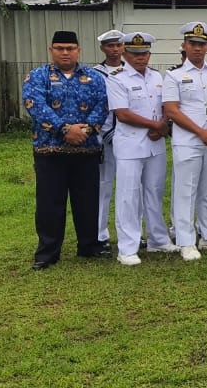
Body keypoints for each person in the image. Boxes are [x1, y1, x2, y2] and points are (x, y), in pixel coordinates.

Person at [22, 31, 111, 270]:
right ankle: (47, 253)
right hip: (49, 151)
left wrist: (85, 132)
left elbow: (102, 106)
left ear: (78, 51)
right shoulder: (38, 77)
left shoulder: (94, 77)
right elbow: (35, 106)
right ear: (51, 50)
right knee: (50, 203)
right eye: (60, 48)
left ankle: (89, 246)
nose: (65, 52)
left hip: (86, 149)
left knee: (88, 201)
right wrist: (64, 130)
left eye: (70, 48)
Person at [106, 32, 177, 266]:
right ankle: (127, 248)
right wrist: (154, 125)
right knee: (128, 196)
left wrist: (164, 125)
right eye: (135, 54)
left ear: (149, 54)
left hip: (155, 144)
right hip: (130, 145)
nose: (140, 58)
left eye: (144, 53)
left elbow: (167, 104)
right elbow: (122, 114)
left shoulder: (157, 77)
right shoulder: (117, 78)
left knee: (154, 193)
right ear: (125, 54)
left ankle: (158, 239)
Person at [163, 22, 207, 261]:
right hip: (188, 140)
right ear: (184, 45)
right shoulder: (174, 76)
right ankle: (186, 240)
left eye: (202, 45)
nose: (197, 49)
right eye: (192, 44)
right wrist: (200, 132)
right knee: (185, 191)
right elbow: (172, 110)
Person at [93, 29, 126, 251]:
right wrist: (105, 133)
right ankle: (100, 234)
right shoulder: (95, 74)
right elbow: (95, 104)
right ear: (103, 48)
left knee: (132, 188)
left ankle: (133, 233)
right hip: (104, 137)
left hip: (132, 137)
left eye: (118, 45)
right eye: (110, 46)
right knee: (103, 187)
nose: (115, 50)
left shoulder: (133, 70)